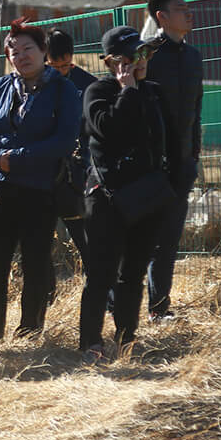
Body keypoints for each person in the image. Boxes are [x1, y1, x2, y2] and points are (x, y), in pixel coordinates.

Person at [0, 22, 82, 340]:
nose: (21, 56)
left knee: (35, 261)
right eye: (14, 51)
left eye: (28, 49)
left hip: (41, 186)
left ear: (44, 51)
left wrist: (16, 156)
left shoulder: (62, 89)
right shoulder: (2, 87)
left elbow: (64, 139)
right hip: (0, 185)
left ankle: (30, 329)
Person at [78, 28, 174, 359]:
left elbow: (168, 138)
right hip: (106, 198)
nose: (142, 61)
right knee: (101, 274)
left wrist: (171, 181)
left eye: (145, 54)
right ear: (114, 62)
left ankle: (126, 338)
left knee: (132, 273)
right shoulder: (97, 91)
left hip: (146, 195)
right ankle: (91, 341)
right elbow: (108, 128)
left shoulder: (155, 92)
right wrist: (127, 90)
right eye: (134, 56)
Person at [142, 0, 202, 323]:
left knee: (168, 241)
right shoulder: (147, 55)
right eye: (181, 9)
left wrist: (193, 154)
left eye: (188, 7)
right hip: (149, 164)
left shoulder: (193, 56)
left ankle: (159, 308)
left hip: (181, 164)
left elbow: (197, 108)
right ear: (161, 17)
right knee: (140, 238)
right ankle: (118, 306)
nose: (188, 13)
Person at [47, 27, 99, 278]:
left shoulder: (87, 85)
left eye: (65, 65)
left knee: (85, 235)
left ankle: (101, 287)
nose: (60, 71)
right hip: (44, 170)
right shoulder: (36, 84)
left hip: (77, 172)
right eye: (54, 66)